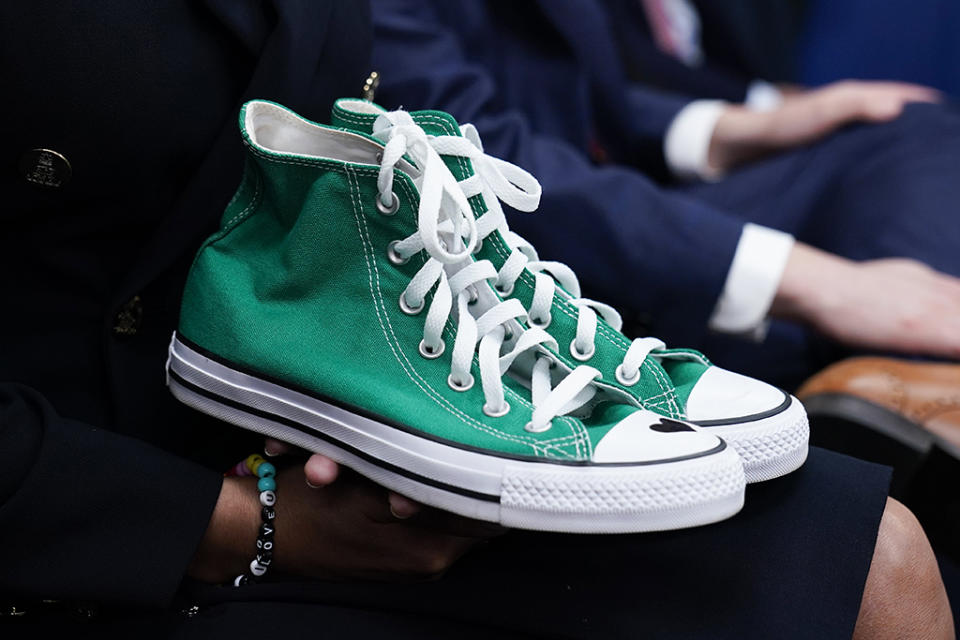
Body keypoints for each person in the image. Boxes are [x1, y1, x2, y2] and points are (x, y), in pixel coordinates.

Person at [1, 1, 953, 638]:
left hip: (297, 412)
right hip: (105, 510)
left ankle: (876, 393)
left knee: (886, 549)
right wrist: (244, 523)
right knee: (864, 570)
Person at [368, 0, 960, 390]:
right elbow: (474, 160)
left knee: (902, 128)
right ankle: (914, 394)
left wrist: (731, 129)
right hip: (515, 279)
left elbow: (563, 91)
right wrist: (825, 286)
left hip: (597, 184)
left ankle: (909, 393)